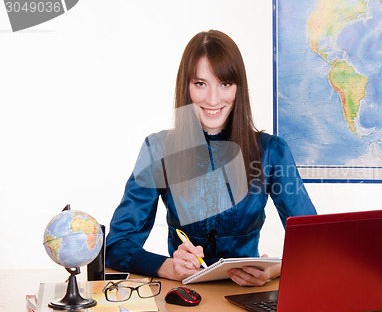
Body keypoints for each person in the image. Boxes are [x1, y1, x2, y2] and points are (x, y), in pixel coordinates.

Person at [105, 30, 316, 286]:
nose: (213, 99)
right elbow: (117, 245)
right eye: (201, 84)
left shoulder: (272, 151)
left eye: (225, 84)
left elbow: (313, 241)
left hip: (246, 298)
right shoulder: (159, 149)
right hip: (183, 300)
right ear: (186, 87)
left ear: (239, 88)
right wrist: (167, 267)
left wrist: (275, 270)